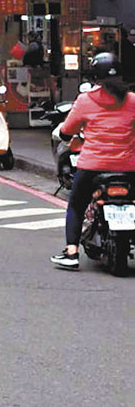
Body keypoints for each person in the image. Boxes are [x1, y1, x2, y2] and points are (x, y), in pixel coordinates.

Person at [51, 53, 135, 271]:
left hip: (92, 167)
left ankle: (71, 252)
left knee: (76, 206)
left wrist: (66, 134)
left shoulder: (86, 100)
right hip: (129, 167)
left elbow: (67, 131)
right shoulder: (132, 100)